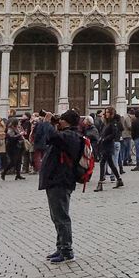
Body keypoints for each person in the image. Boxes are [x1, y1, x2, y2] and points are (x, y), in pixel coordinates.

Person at [38, 111, 84, 262]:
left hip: (61, 180)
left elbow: (51, 137)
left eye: (61, 120)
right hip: (56, 180)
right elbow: (48, 139)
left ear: (66, 122)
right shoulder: (67, 135)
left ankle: (66, 250)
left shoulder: (71, 136)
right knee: (56, 216)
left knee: (62, 216)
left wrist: (47, 122)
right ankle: (60, 247)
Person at [95, 106, 123, 191]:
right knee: (110, 163)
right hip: (104, 145)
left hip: (108, 145)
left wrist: (104, 139)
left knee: (102, 163)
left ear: (111, 113)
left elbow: (114, 134)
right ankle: (119, 179)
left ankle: (100, 182)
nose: (105, 113)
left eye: (107, 112)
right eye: (105, 112)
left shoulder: (113, 123)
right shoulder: (106, 123)